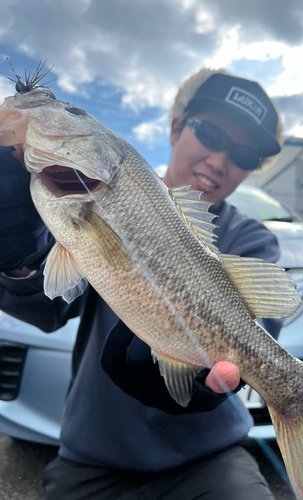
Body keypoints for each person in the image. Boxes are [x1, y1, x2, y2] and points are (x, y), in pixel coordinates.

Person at [0, 68, 283, 500]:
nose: (220, 160)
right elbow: (48, 309)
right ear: (175, 128)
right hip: (93, 454)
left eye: (245, 156)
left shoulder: (253, 238)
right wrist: (16, 258)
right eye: (209, 133)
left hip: (212, 457)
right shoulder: (75, 189)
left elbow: (256, 339)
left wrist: (205, 376)